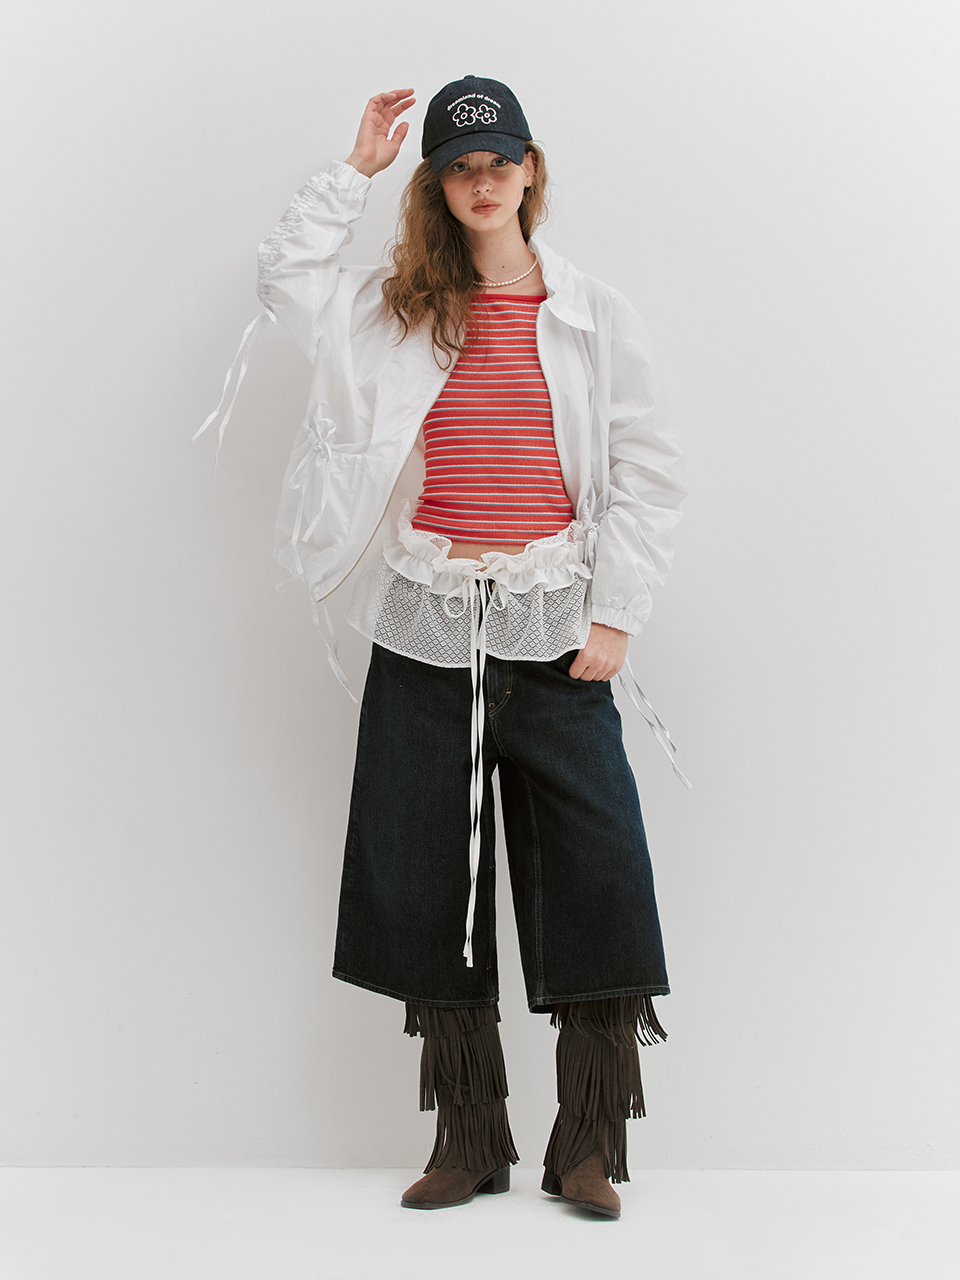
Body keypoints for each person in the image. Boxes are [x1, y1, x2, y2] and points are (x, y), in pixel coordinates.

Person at [198, 76, 687, 1219]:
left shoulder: (592, 313)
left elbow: (649, 467)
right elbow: (287, 282)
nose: (482, 182)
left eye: (498, 162)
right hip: (426, 625)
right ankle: (470, 1137)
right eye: (460, 167)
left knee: (597, 874)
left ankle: (587, 1144)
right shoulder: (395, 309)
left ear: (531, 170)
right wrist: (352, 172)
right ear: (437, 184)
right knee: (429, 882)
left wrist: (616, 612)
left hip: (554, 627)